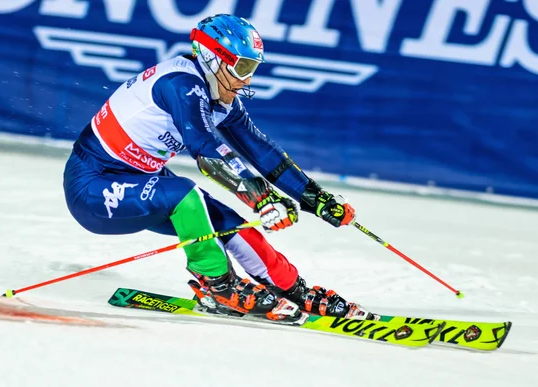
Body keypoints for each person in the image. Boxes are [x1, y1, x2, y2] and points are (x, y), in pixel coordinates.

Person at [63, 14, 376, 323]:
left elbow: (263, 153)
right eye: (242, 67)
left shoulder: (220, 98)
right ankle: (217, 284)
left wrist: (314, 197)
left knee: (230, 224)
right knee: (184, 193)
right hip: (93, 187)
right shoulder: (181, 84)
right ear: (214, 60)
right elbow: (204, 147)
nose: (248, 79)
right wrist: (261, 197)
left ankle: (292, 289)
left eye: (252, 68)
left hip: (141, 182)